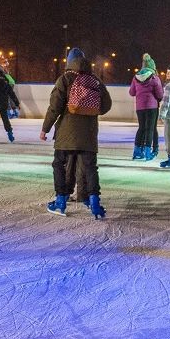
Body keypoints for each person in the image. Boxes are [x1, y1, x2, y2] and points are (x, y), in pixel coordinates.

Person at [41, 47, 111, 219]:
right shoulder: (95, 80)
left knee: (59, 164)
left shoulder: (65, 79)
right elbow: (106, 105)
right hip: (88, 135)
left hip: (66, 133)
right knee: (90, 168)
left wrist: (45, 128)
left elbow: (55, 107)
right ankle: (94, 203)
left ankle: (60, 201)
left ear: (69, 62)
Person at [129, 53, 164, 160]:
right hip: (152, 107)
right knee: (150, 129)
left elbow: (131, 92)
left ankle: (137, 151)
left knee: (141, 128)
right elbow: (160, 94)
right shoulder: (154, 78)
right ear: (152, 66)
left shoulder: (136, 77)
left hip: (140, 108)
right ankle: (148, 152)